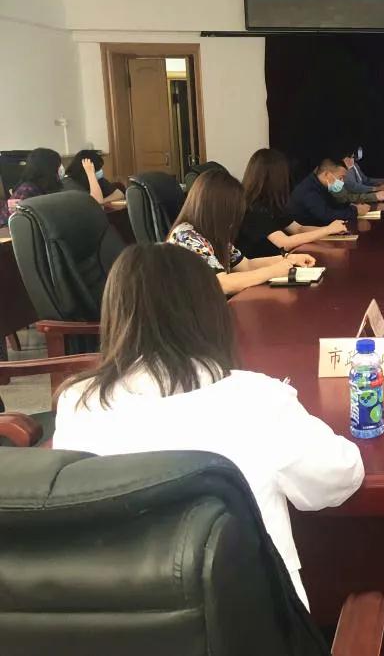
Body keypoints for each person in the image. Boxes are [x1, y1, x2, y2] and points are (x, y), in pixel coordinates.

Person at [51, 243, 364, 609]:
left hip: (121, 622)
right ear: (211, 312)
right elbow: (339, 476)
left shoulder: (78, 401)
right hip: (252, 624)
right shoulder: (256, 398)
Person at [167, 168, 316, 295]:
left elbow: (246, 265)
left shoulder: (212, 233)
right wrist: (273, 271)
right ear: (218, 209)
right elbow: (222, 283)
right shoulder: (186, 236)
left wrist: (288, 259)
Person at [239, 148, 351, 259]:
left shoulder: (272, 204)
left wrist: (331, 231)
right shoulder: (254, 208)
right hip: (263, 265)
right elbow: (284, 243)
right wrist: (327, 230)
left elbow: (298, 229)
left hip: (279, 260)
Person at [287, 159, 371, 227]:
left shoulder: (320, 185)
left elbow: (334, 204)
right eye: (340, 178)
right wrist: (355, 211)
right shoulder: (308, 190)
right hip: (305, 234)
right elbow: (326, 216)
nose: (342, 182)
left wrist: (351, 206)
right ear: (327, 174)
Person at [1, 147, 64, 226]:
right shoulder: (27, 189)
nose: (61, 168)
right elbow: (16, 221)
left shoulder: (49, 186)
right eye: (58, 165)